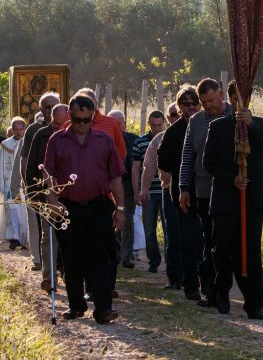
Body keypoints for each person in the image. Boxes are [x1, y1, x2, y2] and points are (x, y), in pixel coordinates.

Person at [45, 96, 126, 324]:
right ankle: (76, 305)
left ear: (93, 116)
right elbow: (49, 174)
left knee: (100, 257)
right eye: (77, 119)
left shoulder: (104, 140)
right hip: (67, 208)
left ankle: (103, 309)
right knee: (72, 258)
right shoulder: (57, 140)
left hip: (99, 205)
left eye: (86, 120)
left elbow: (116, 177)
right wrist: (52, 200)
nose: (82, 124)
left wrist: (120, 209)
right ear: (69, 115)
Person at [202, 81, 263, 319]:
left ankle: (254, 303)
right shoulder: (217, 127)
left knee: (250, 251)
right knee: (222, 248)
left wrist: (250, 124)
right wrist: (232, 178)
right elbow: (209, 162)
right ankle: (221, 291)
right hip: (226, 197)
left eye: (245, 98)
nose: (240, 102)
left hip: (252, 199)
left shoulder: (260, 124)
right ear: (231, 98)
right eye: (236, 98)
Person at [179, 78, 232, 304]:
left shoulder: (234, 116)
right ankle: (212, 291)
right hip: (203, 190)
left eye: (211, 100)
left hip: (230, 188)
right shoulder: (196, 121)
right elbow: (188, 156)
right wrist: (183, 187)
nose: (208, 105)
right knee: (209, 240)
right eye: (204, 101)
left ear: (221, 94)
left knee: (226, 241)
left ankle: (227, 288)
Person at [156, 85, 202, 297]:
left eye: (195, 102)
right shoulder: (173, 132)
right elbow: (163, 163)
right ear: (179, 106)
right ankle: (190, 284)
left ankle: (209, 282)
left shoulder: (208, 125)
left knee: (206, 237)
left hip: (206, 188)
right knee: (188, 238)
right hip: (183, 190)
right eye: (186, 103)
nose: (191, 107)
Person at [23, 92, 60, 288]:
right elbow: (29, 165)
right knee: (48, 236)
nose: (51, 111)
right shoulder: (39, 133)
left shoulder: (72, 132)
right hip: (45, 194)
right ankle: (49, 276)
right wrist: (32, 191)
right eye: (47, 107)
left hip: (69, 193)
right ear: (43, 110)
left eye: (55, 106)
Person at [133, 111, 173, 277]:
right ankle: (154, 261)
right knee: (149, 229)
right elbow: (136, 168)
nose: (157, 128)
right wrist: (139, 190)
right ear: (149, 123)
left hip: (165, 190)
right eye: (153, 125)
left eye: (159, 125)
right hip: (149, 191)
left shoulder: (169, 138)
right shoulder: (140, 142)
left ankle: (170, 262)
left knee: (168, 228)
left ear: (163, 123)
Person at [0, 118, 29, 250]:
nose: (19, 132)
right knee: (13, 211)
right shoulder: (5, 144)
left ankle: (24, 238)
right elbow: (1, 165)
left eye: (21, 129)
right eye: (16, 129)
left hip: (24, 183)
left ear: (24, 129)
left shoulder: (28, 142)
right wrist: (2, 184)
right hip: (9, 183)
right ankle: (15, 238)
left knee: (24, 213)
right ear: (12, 130)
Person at [112, 110, 138, 269]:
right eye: (113, 123)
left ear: (124, 124)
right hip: (109, 186)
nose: (116, 126)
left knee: (127, 220)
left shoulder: (133, 140)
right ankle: (114, 254)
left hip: (127, 185)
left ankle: (126, 256)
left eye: (119, 123)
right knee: (111, 220)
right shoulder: (103, 139)